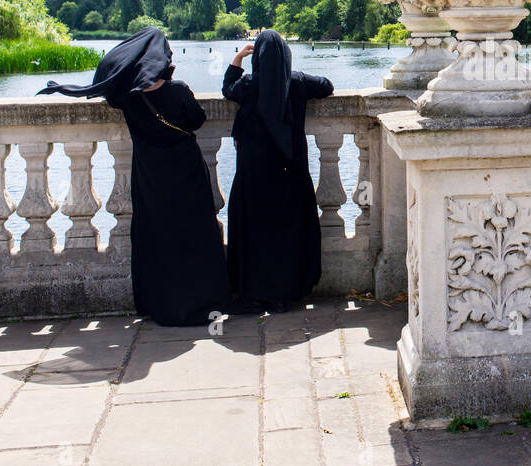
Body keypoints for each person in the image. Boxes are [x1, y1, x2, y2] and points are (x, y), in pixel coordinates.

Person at [39, 27, 231, 327]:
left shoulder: (127, 98)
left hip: (150, 174)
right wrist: (169, 78)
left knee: (158, 235)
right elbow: (197, 119)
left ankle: (163, 305)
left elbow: (112, 82)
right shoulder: (178, 89)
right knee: (194, 233)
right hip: (185, 171)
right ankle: (202, 303)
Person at [222, 29, 333, 310]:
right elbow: (326, 85)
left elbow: (227, 88)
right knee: (288, 228)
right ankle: (288, 290)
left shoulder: (248, 85)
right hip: (289, 170)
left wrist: (237, 59)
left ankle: (258, 290)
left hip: (255, 173)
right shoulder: (296, 83)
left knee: (257, 230)